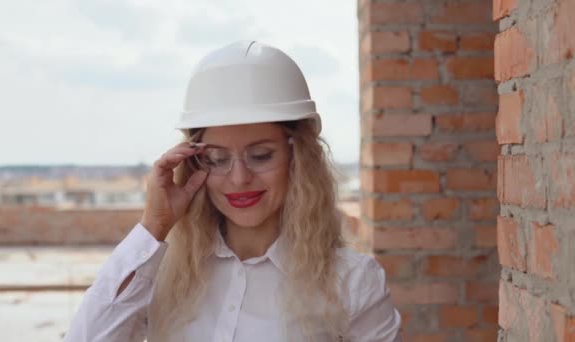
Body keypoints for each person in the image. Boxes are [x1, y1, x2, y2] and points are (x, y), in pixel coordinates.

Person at [63, 41, 401, 342]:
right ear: (195, 163)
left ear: (298, 159)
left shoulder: (352, 281)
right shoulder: (158, 274)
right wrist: (153, 226)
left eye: (261, 156)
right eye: (216, 159)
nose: (239, 178)